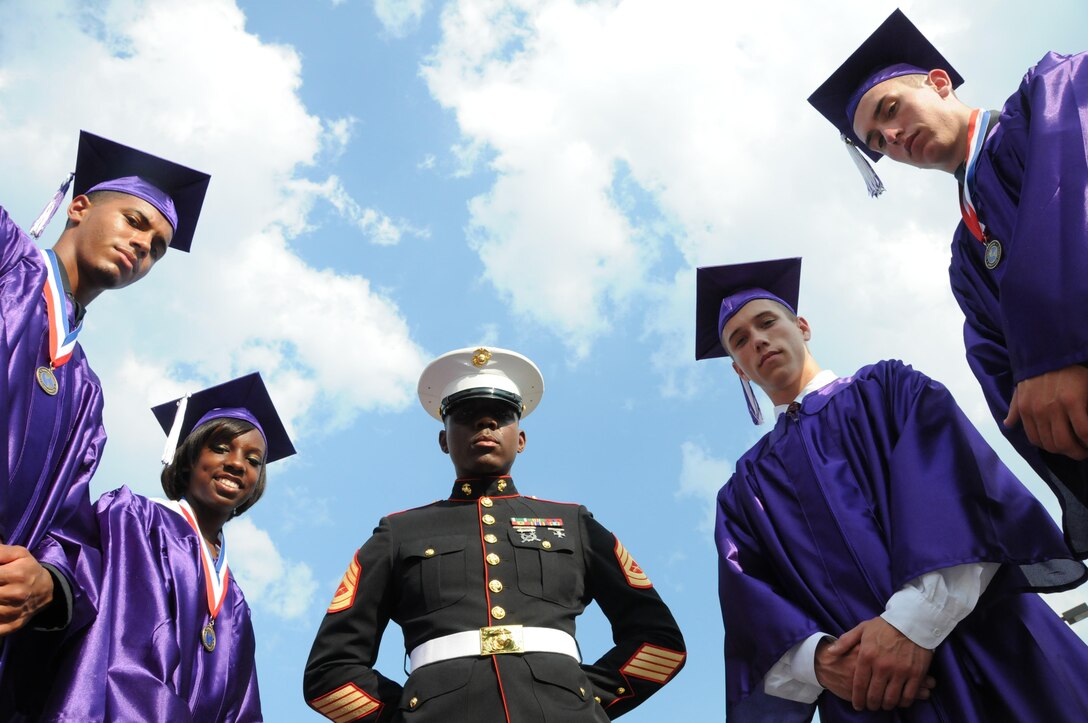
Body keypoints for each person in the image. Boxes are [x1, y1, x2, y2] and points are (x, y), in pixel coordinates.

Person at [698, 257, 1088, 721]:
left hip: (988, 645)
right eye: (739, 340)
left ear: (801, 326)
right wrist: (822, 663)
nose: (757, 340)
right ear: (739, 369)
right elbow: (752, 609)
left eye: (767, 322)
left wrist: (909, 627)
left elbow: (962, 497)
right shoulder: (745, 492)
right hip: (872, 697)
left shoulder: (888, 389)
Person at [809, 9, 1088, 555]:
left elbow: (1070, 184)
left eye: (890, 110)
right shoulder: (967, 256)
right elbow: (1003, 374)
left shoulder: (1048, 97)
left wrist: (1054, 351)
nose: (890, 137)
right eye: (875, 141)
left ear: (939, 82)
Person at [304, 346, 685, 721]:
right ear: (443, 440)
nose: (484, 426)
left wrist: (586, 704)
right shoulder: (399, 533)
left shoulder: (574, 523)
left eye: (500, 416)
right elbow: (329, 672)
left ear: (520, 439)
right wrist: (407, 716)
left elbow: (660, 642)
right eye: (467, 416)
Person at [0, 130, 209, 701]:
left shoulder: (86, 395)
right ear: (79, 206)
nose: (143, 246)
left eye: (159, 246)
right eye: (134, 221)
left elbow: (66, 526)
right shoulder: (6, 263)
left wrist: (44, 581)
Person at [27, 372, 295, 722]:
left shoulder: (236, 604)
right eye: (219, 447)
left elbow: (240, 710)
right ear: (186, 457)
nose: (236, 463)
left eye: (253, 460)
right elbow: (122, 649)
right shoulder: (134, 520)